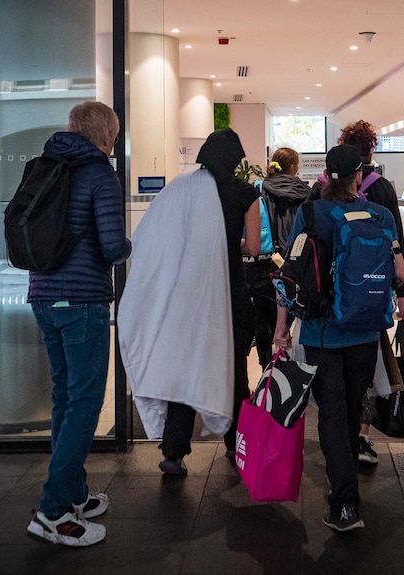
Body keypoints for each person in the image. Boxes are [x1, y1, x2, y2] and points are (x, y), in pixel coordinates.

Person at [274, 144, 404, 532]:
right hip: (365, 331)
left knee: (331, 413)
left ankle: (345, 504)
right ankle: (347, 487)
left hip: (321, 332)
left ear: (326, 175)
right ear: (358, 175)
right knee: (352, 409)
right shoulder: (380, 214)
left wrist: (282, 327)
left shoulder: (311, 213)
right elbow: (398, 273)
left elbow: (291, 275)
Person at [118, 128, 261, 475]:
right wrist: (228, 246)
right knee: (236, 372)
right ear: (236, 160)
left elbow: (159, 239)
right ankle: (235, 444)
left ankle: (173, 451)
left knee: (186, 367)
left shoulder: (181, 188)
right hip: (230, 293)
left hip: (188, 295)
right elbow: (254, 248)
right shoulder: (246, 193)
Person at [25, 102, 131, 547]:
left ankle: (75, 495)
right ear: (106, 135)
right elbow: (110, 247)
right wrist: (131, 244)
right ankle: (53, 513)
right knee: (85, 404)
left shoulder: (46, 166)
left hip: (43, 296)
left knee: (65, 397)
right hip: (83, 302)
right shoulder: (99, 174)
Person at [313, 119, 404, 464]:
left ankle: (340, 455)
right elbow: (398, 258)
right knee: (366, 379)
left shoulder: (316, 198)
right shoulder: (381, 193)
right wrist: (402, 296)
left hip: (327, 315)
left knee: (333, 396)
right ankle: (361, 438)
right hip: (370, 305)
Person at [244, 148, 311, 368]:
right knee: (289, 313)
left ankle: (266, 365)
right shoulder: (305, 191)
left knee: (262, 315)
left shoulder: (259, 189)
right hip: (292, 263)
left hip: (262, 262)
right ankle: (289, 364)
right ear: (294, 167)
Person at [262, 147, 312, 256]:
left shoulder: (263, 188)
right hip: (297, 248)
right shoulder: (303, 191)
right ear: (292, 167)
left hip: (269, 251)